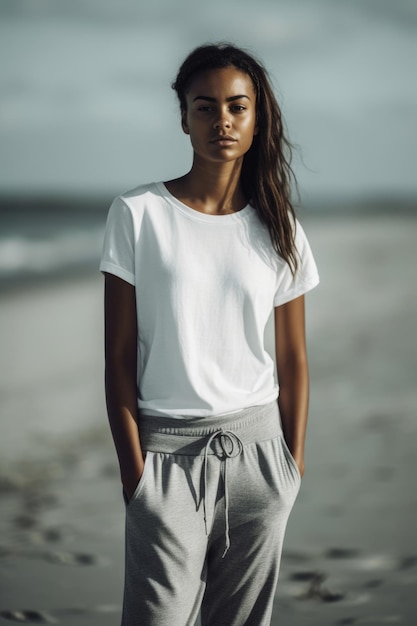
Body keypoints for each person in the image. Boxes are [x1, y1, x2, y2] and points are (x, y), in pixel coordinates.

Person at [100, 42, 319, 626]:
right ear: (183, 117)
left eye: (236, 106)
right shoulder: (137, 214)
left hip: (260, 461)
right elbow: (117, 357)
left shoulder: (281, 228)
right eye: (205, 106)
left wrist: (290, 469)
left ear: (256, 118)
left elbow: (293, 358)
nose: (221, 120)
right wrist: (136, 475)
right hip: (164, 462)